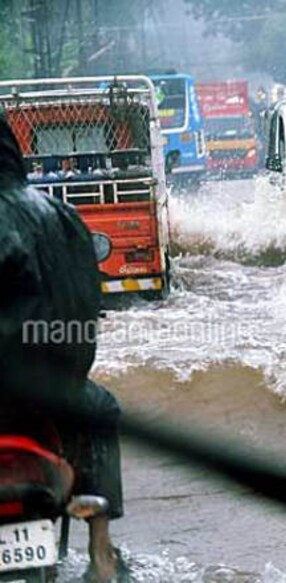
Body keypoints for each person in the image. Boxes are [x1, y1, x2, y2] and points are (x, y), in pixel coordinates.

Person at [0, 113, 126, 582]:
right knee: (102, 409)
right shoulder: (63, 216)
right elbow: (86, 311)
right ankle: (101, 550)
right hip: (58, 396)